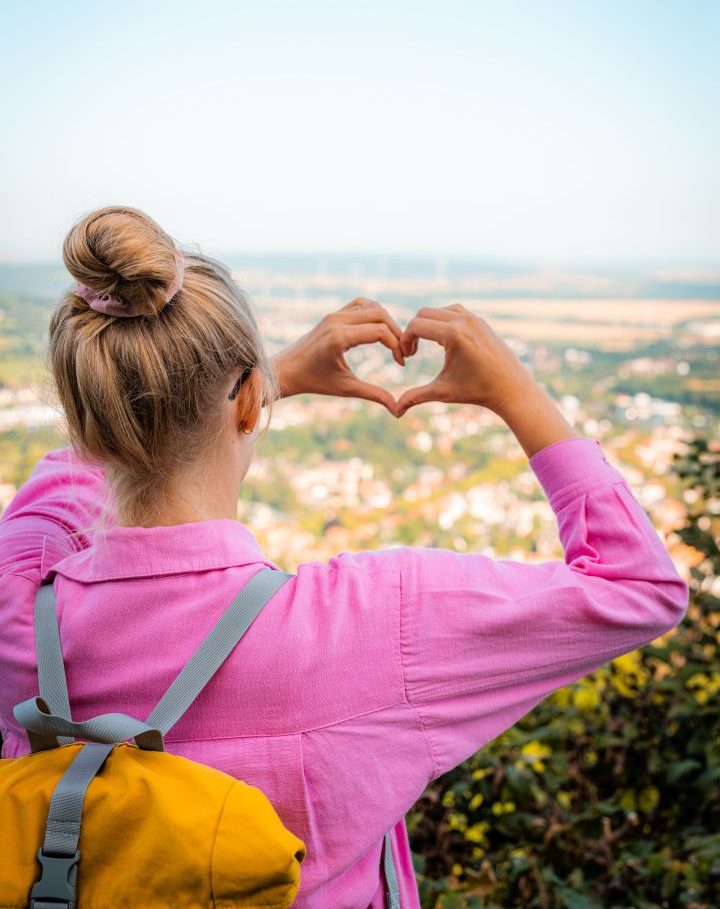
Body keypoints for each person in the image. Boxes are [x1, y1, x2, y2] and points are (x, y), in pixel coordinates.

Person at [0, 205, 689, 908]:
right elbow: (639, 586)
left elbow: (69, 478)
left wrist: (266, 380)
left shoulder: (19, 595)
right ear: (244, 404)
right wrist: (516, 390)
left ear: (86, 410)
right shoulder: (371, 621)